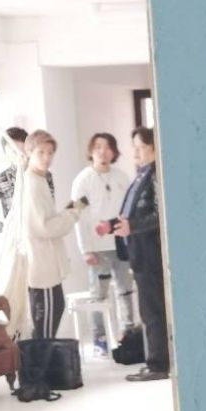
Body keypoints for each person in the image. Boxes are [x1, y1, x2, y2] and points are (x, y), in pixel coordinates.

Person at [98, 126, 168, 381]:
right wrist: (112, 224)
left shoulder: (156, 175)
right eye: (135, 147)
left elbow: (161, 215)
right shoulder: (141, 175)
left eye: (141, 147)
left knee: (153, 311)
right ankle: (155, 361)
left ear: (154, 147)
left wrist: (133, 227)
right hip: (139, 253)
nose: (136, 153)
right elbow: (131, 214)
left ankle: (158, 365)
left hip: (150, 254)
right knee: (148, 311)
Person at [71, 132, 135, 353]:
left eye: (108, 147)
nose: (103, 151)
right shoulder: (83, 180)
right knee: (99, 295)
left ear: (114, 152)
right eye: (98, 147)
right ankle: (100, 339)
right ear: (91, 151)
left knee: (125, 291)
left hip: (122, 245)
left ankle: (128, 335)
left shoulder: (122, 177)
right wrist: (85, 249)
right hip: (97, 248)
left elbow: (129, 212)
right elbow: (77, 215)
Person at [21, 130, 83, 340]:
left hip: (47, 264)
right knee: (45, 328)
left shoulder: (40, 180)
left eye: (50, 153)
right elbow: (45, 228)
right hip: (41, 268)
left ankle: (43, 361)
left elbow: (49, 220)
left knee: (54, 312)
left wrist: (71, 210)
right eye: (41, 152)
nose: (47, 157)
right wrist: (74, 211)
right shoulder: (31, 184)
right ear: (29, 152)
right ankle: (41, 362)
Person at [0, 127, 53, 232]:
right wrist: (2, 228)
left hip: (41, 232)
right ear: (6, 152)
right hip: (17, 235)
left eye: (22, 150)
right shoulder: (1, 179)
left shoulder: (45, 175)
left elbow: (50, 204)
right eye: (13, 151)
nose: (19, 154)